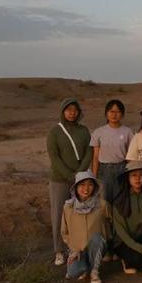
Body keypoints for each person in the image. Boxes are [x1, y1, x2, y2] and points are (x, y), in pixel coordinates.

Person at [47, 98, 93, 266]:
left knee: (79, 214)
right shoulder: (54, 132)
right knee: (59, 214)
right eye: (68, 110)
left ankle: (74, 247)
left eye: (74, 110)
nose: (72, 113)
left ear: (79, 112)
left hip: (80, 180)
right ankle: (59, 251)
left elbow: (89, 151)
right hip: (60, 179)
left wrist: (79, 173)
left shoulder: (84, 130)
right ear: (62, 112)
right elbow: (54, 157)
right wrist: (69, 175)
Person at [61, 170, 110, 283]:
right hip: (78, 250)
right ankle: (85, 267)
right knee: (73, 272)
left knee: (97, 238)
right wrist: (73, 249)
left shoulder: (102, 205)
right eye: (82, 184)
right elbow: (64, 231)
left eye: (90, 184)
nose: (86, 188)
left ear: (95, 187)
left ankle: (94, 271)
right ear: (76, 187)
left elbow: (110, 223)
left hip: (97, 246)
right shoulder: (68, 207)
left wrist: (107, 239)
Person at [90, 99, 133, 203]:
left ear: (122, 114)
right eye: (111, 111)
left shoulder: (128, 132)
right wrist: (94, 177)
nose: (114, 115)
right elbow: (95, 157)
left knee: (121, 200)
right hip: (104, 170)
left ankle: (118, 219)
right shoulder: (98, 132)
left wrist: (130, 174)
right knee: (104, 201)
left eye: (117, 112)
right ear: (106, 113)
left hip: (122, 169)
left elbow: (130, 156)